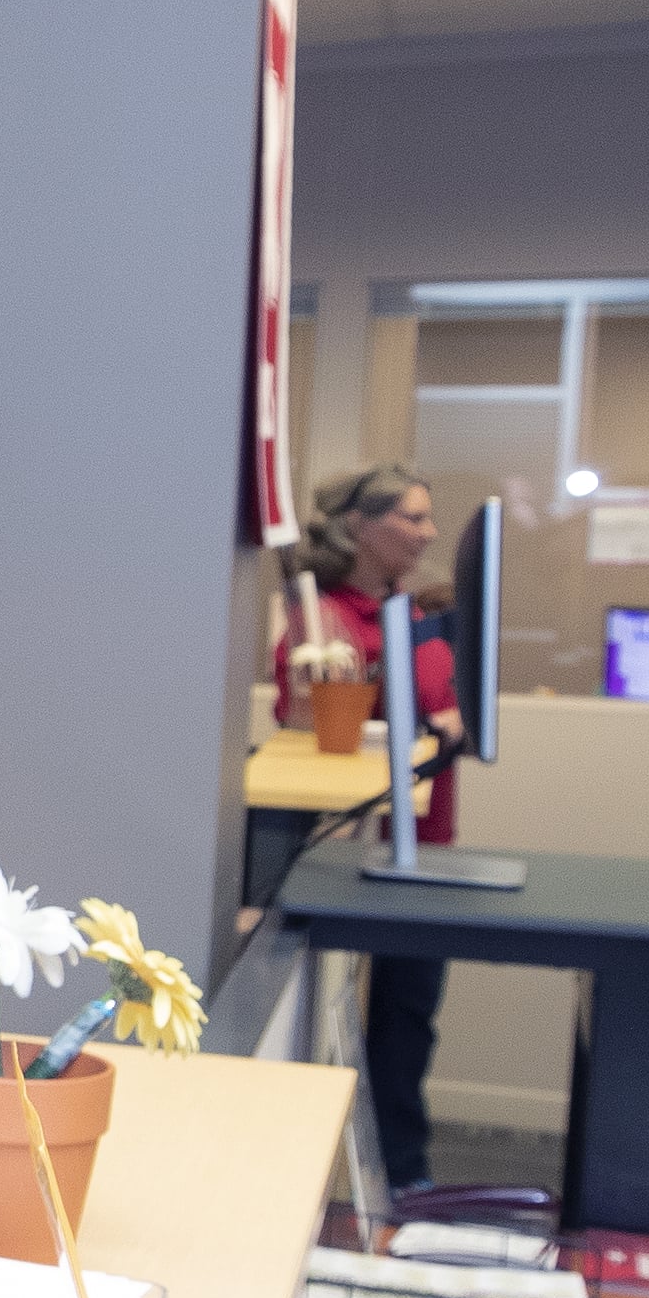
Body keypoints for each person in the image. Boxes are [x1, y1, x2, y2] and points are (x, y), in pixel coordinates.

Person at [270, 464, 470, 1191]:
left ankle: (405, 1175)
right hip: (356, 845)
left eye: (428, 517)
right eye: (412, 518)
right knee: (328, 1014)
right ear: (361, 525)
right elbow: (306, 713)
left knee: (409, 1014)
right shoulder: (322, 618)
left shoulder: (418, 614)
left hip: (431, 836)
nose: (428, 533)